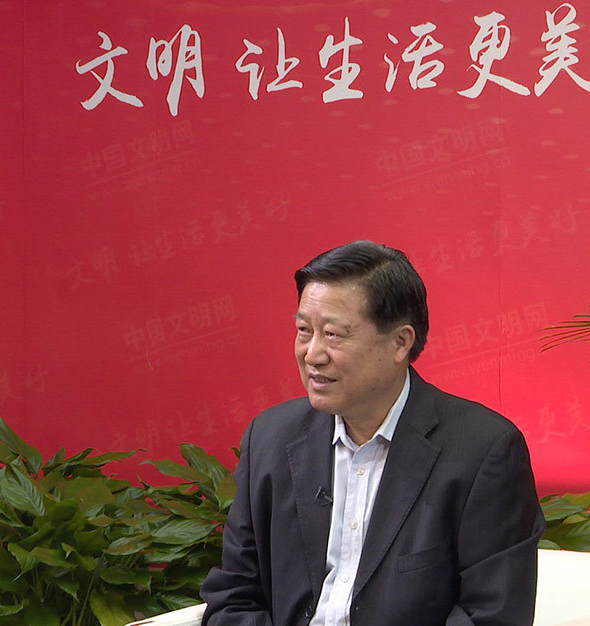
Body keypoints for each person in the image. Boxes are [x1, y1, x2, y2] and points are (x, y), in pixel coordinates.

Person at [200, 240, 545, 625]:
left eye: (333, 334)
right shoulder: (270, 438)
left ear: (400, 342)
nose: (312, 354)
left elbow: (491, 616)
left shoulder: (483, 451)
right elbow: (232, 597)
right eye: (304, 330)